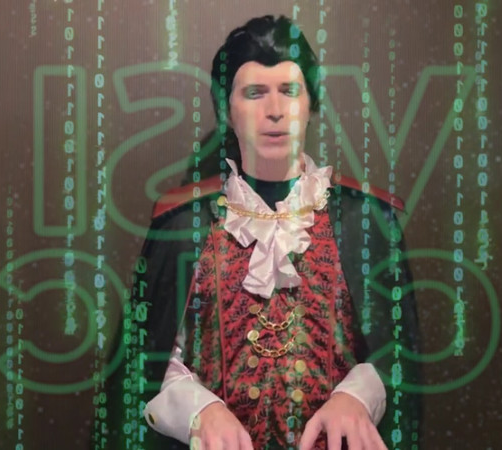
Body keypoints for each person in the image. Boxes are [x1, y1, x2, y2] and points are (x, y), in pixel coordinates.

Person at [99, 15, 421, 450]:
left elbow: (398, 355)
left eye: (289, 91)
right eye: (254, 93)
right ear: (226, 110)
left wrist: (358, 395)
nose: (275, 110)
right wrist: (197, 409)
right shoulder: (184, 226)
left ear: (312, 104)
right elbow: (146, 365)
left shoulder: (366, 222)